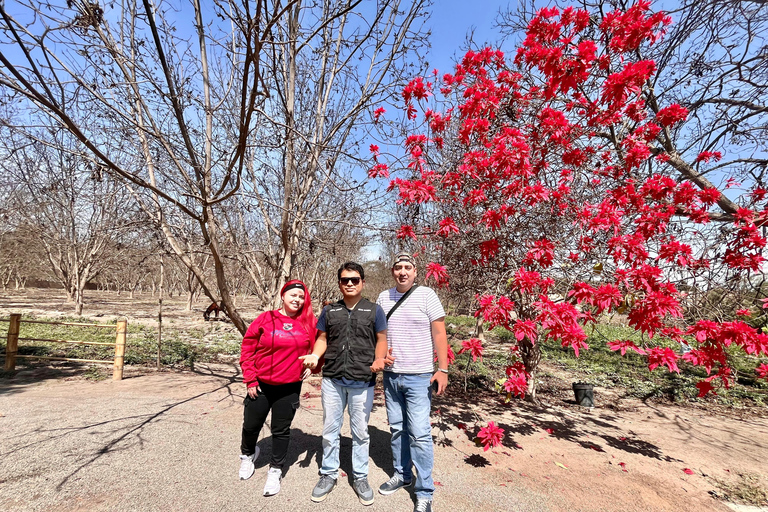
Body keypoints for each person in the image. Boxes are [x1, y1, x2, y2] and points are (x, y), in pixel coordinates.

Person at [300, 262, 391, 506]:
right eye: (344, 280)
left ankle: (360, 477)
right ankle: (328, 474)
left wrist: (379, 359)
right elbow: (322, 338)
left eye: (354, 279)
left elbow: (381, 338)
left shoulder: (375, 310)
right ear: (339, 283)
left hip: (363, 380)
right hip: (333, 380)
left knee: (360, 432)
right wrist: (315, 356)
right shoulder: (330, 311)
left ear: (362, 282)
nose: (349, 283)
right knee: (330, 429)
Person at [376, 252, 449, 512]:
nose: (403, 272)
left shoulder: (427, 295)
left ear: (415, 271)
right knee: (397, 428)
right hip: (392, 375)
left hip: (419, 376)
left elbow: (439, 333)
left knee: (419, 434)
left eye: (408, 267)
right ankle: (402, 474)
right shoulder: (384, 298)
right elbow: (380, 334)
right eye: (398, 267)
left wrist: (443, 369)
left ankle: (425, 490)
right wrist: (381, 354)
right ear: (393, 271)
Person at [238, 279, 317, 497]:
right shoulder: (266, 318)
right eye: (293, 295)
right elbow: (248, 349)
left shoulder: (308, 323)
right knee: (251, 425)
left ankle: (275, 469)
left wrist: (314, 364)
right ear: (283, 296)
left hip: (290, 387)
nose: (298, 300)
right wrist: (250, 379)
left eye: (301, 297)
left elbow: (320, 347)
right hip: (261, 385)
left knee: (280, 430)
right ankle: (247, 455)